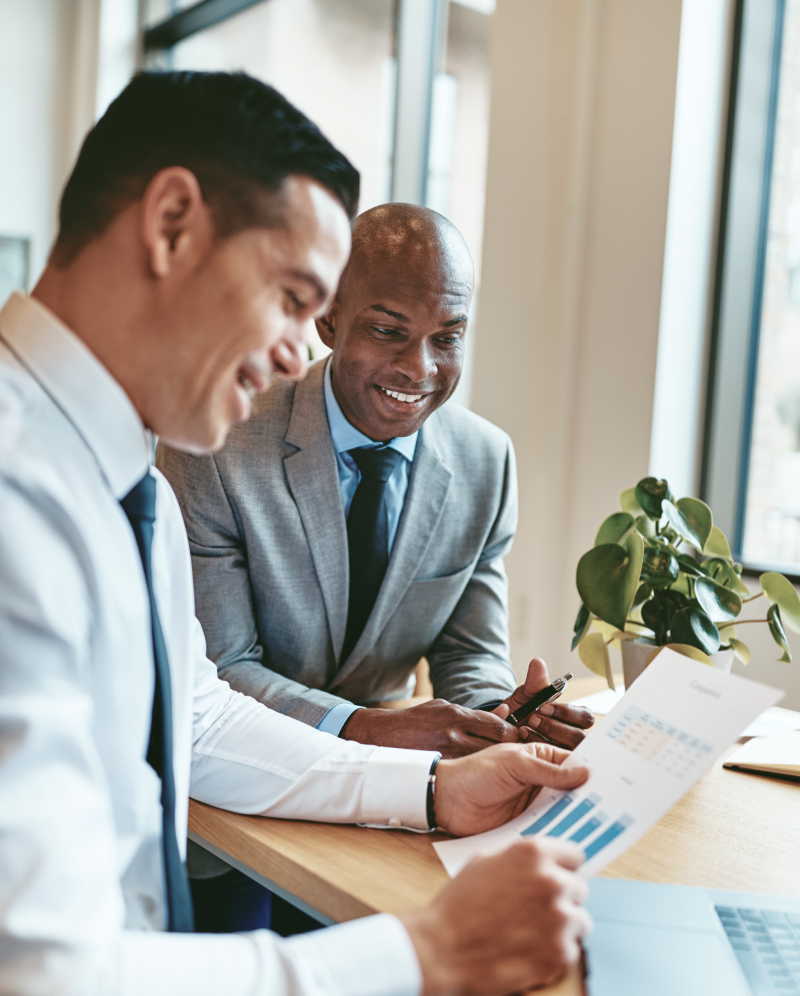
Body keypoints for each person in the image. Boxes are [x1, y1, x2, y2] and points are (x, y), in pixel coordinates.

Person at [0, 71, 592, 996]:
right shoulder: (15, 497)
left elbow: (200, 715)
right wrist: (424, 956)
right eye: (289, 297)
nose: (294, 353)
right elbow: (39, 971)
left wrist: (434, 790)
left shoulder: (118, 478)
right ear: (171, 225)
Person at [158, 203, 595, 932]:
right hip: (230, 813)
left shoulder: (487, 463)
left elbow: (470, 658)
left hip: (395, 815)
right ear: (329, 320)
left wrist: (504, 719)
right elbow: (220, 667)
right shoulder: (220, 438)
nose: (419, 369)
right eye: (389, 331)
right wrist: (363, 726)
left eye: (448, 338)